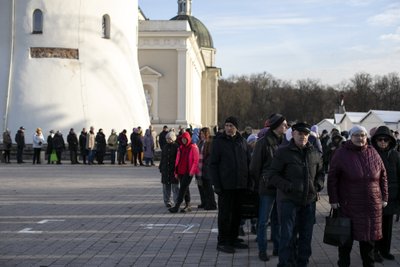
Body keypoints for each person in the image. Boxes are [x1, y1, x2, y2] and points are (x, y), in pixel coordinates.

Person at [328, 125, 388, 267]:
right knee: (345, 243)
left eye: (362, 135)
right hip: (349, 206)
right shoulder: (341, 153)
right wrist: (333, 199)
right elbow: (332, 178)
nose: (360, 138)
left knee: (368, 244)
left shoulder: (373, 153)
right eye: (356, 135)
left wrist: (384, 197)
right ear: (350, 136)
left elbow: (383, 176)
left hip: (370, 207)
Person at [268, 122, 325, 267]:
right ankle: (286, 263)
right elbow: (273, 175)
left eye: (306, 134)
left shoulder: (314, 152)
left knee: (306, 237)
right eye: (300, 134)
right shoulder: (283, 152)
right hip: (289, 201)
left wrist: (317, 186)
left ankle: (302, 263)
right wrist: (289, 186)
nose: (303, 137)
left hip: (308, 202)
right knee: (287, 237)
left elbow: (320, 173)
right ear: (293, 134)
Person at [209, 116, 252, 254]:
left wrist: (249, 182)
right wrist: (217, 184)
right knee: (225, 215)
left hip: (240, 185)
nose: (228, 128)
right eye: (226, 125)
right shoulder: (218, 142)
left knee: (237, 214)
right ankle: (223, 241)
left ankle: (233, 238)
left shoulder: (242, 142)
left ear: (236, 128)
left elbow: (248, 162)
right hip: (225, 185)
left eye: (231, 126)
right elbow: (213, 165)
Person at [250, 113, 288, 262]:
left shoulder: (285, 142)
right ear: (276, 126)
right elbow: (254, 167)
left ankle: (278, 248)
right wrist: (262, 180)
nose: (286, 127)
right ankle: (262, 250)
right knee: (263, 220)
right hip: (267, 186)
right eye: (284, 124)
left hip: (281, 186)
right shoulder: (263, 142)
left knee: (278, 219)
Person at [371, 126, 399, 261]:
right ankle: (374, 251)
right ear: (375, 141)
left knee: (387, 227)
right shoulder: (371, 154)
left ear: (390, 141)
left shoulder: (395, 155)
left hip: (392, 197)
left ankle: (385, 251)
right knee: (376, 226)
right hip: (375, 196)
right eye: (380, 139)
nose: (383, 142)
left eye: (386, 140)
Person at [168, 131, 199, 213]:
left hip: (188, 171)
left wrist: (192, 172)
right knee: (185, 188)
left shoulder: (193, 147)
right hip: (181, 171)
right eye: (183, 139)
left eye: (185, 139)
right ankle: (188, 205)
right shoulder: (181, 148)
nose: (184, 141)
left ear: (188, 139)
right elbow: (177, 160)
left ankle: (177, 206)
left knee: (182, 189)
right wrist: (176, 172)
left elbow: (196, 161)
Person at [196, 127, 217, 210]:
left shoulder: (210, 143)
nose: (201, 135)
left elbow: (211, 156)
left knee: (208, 188)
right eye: (200, 134)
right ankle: (204, 202)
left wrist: (206, 163)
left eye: (202, 134)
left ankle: (212, 204)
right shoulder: (200, 142)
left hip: (206, 169)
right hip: (199, 169)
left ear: (206, 134)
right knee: (201, 187)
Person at [159, 131, 179, 208]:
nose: (168, 140)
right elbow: (162, 158)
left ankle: (176, 201)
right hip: (165, 169)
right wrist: (161, 167)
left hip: (173, 169)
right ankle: (167, 201)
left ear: (173, 139)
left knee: (175, 186)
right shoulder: (165, 147)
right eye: (167, 139)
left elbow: (178, 159)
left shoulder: (176, 147)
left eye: (170, 139)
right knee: (166, 187)